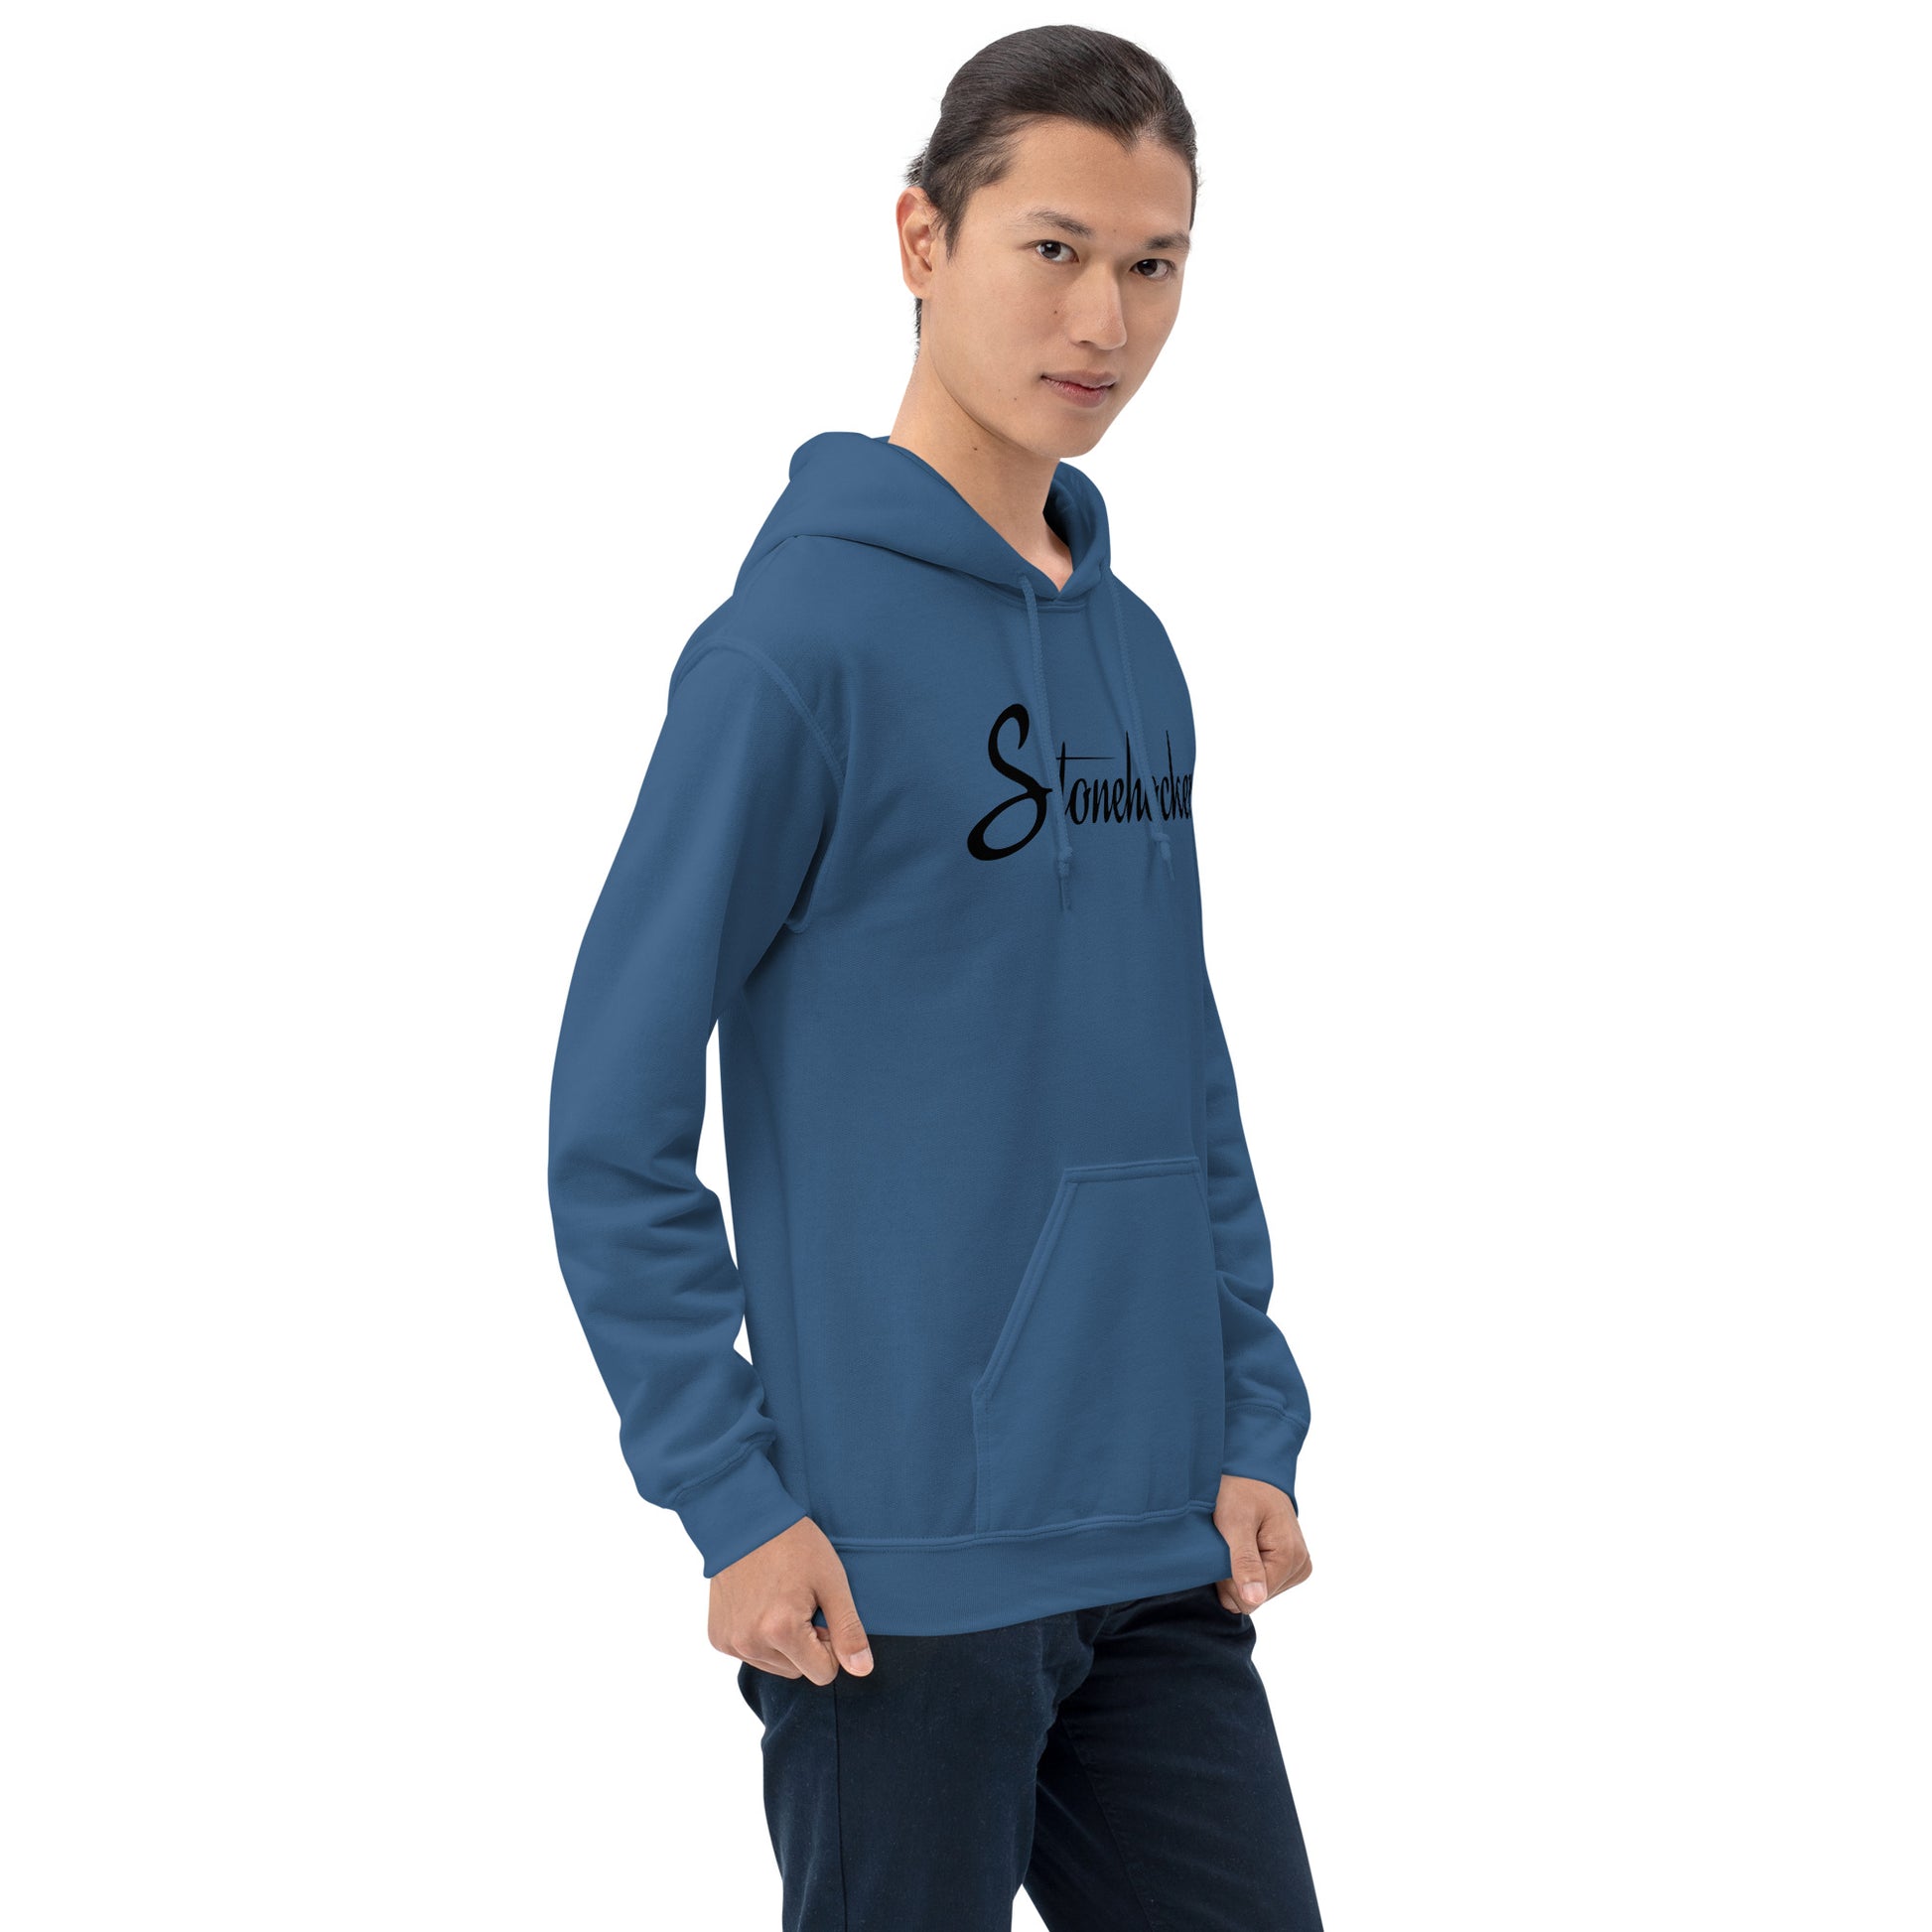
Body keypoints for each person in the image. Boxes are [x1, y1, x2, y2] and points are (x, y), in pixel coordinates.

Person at [547, 25, 1322, 1930]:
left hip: (1158, 1548)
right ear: (921, 238)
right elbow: (610, 1121)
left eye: (1152, 264)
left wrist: (1247, 1414)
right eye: (1052, 249)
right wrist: (731, 1499)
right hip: (887, 1576)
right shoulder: (792, 648)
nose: (1105, 320)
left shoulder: (1135, 651)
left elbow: (1175, 1063)